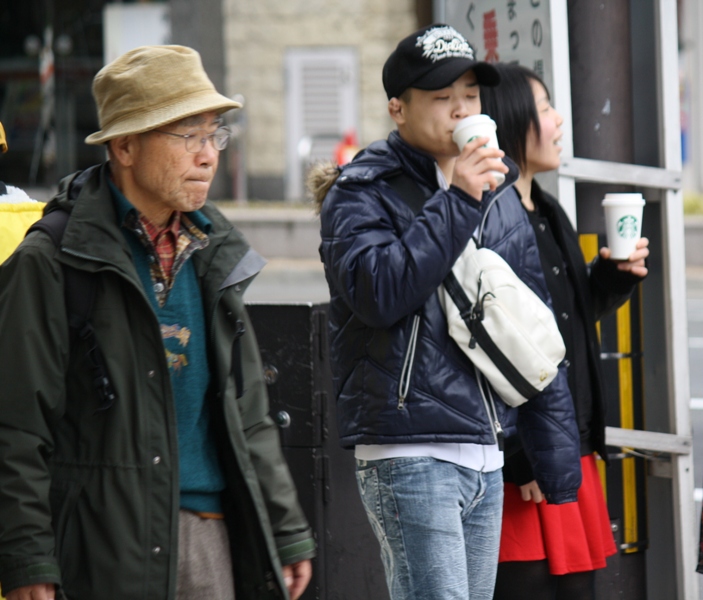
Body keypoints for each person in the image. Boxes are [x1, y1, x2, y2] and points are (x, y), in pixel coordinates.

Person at [0, 45, 314, 600]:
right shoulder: (51, 261)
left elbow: (249, 413)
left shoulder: (214, 253)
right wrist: (28, 559)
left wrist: (285, 530)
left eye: (214, 134)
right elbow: (17, 429)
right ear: (124, 145)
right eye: (187, 135)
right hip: (104, 551)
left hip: (212, 540)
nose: (208, 155)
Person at [310, 24, 582, 600]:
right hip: (408, 449)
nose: (461, 110)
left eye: (470, 94)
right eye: (442, 97)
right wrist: (457, 200)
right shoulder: (362, 189)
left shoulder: (497, 190)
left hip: (484, 448)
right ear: (397, 109)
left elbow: (530, 325)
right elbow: (378, 292)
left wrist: (548, 457)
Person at [480, 63, 649, 600]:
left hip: (564, 445)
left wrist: (609, 278)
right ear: (511, 118)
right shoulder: (492, 212)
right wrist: (523, 454)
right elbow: (491, 341)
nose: (558, 122)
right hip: (526, 459)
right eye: (546, 107)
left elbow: (557, 324)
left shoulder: (546, 209)